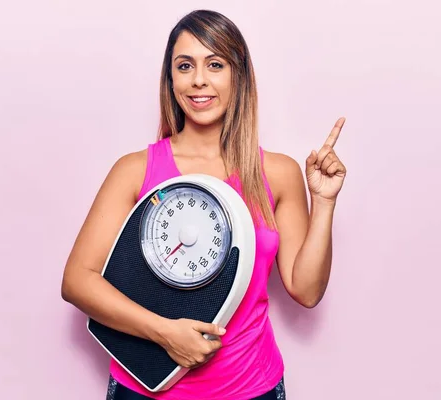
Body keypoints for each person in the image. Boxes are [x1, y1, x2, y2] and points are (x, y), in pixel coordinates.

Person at [61, 9, 347, 400]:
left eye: (215, 64)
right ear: (171, 79)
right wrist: (164, 332)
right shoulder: (135, 170)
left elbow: (306, 291)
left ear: (238, 76)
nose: (199, 80)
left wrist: (325, 202)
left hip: (250, 387)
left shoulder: (277, 173)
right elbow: (77, 280)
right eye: (184, 66)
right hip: (144, 387)